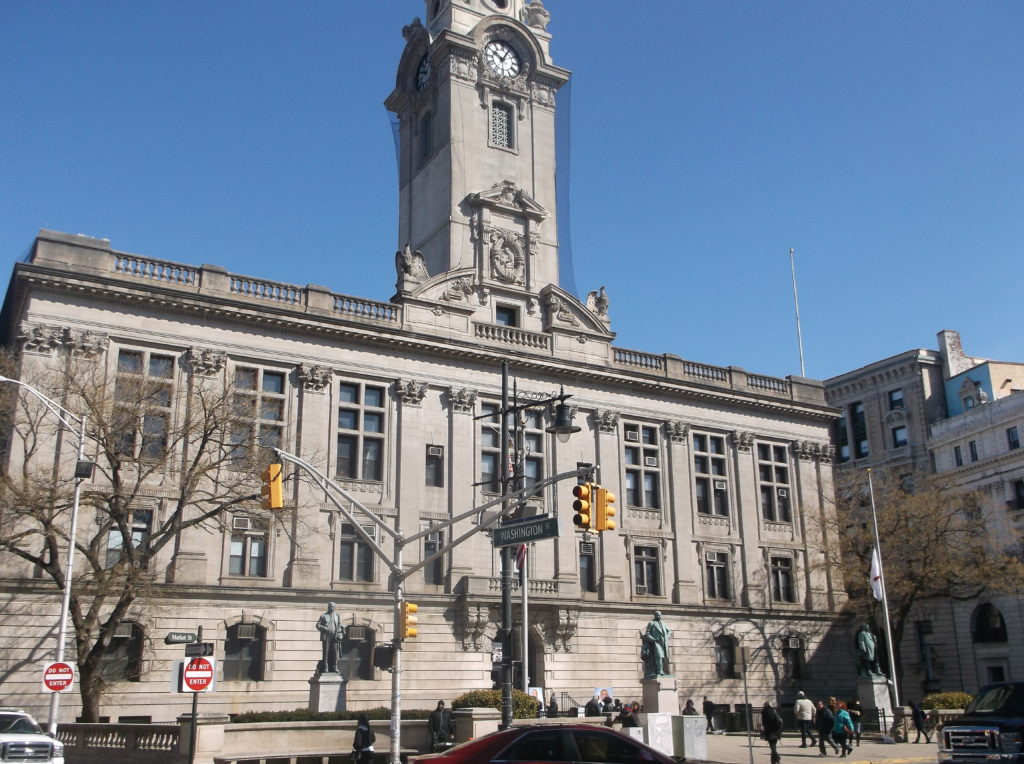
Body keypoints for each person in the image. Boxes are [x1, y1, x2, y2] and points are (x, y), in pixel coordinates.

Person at [641, 611, 671, 678]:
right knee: (659, 656)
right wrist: (653, 639)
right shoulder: (651, 623)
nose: (659, 616)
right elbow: (647, 633)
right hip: (656, 642)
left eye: (660, 615)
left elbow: (669, 631)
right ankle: (659, 670)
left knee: (663, 657)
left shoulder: (664, 623)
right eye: (657, 615)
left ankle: (661, 670)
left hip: (664, 643)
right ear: (655, 616)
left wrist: (667, 637)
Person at [316, 602, 344, 673]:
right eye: (330, 606)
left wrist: (339, 631)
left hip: (334, 636)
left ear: (335, 608)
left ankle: (335, 667)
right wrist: (324, 628)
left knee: (334, 652)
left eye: (332, 607)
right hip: (326, 635)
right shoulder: (323, 616)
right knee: (326, 652)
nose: (331, 608)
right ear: (328, 607)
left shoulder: (337, 616)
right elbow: (317, 625)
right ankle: (326, 667)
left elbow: (339, 625)